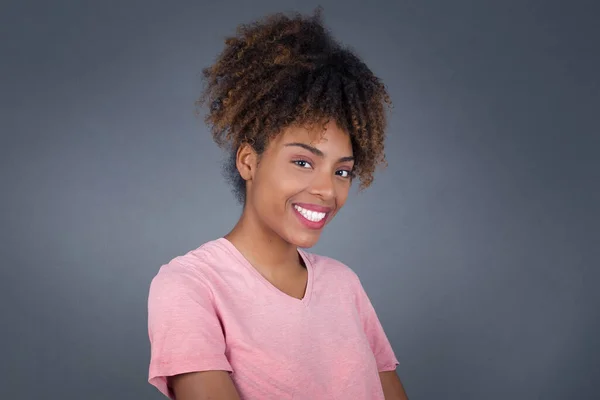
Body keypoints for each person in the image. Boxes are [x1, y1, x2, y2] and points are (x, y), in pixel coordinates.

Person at [147, 9, 409, 400]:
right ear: (248, 161)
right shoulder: (190, 286)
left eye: (342, 171)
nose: (327, 190)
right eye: (303, 162)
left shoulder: (344, 285)